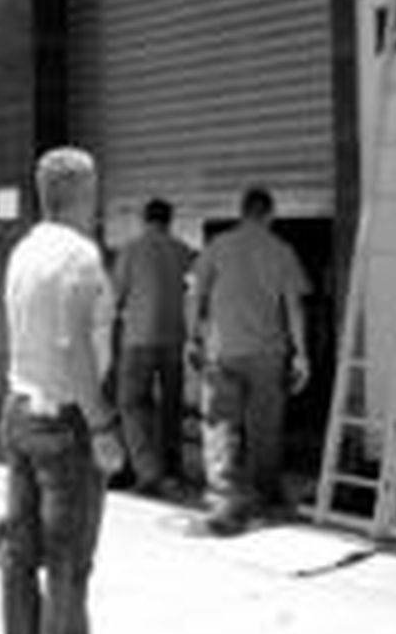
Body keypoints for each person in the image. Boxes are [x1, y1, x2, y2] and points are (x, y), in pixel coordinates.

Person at [0, 147, 130, 634]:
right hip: (65, 425)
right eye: (95, 186)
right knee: (70, 559)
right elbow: (76, 346)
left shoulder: (24, 250)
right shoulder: (80, 255)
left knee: (21, 550)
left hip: (19, 411)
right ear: (83, 191)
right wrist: (102, 424)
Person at [186, 186, 311, 536]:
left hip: (223, 351)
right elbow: (294, 306)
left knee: (220, 424)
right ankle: (265, 496)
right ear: (270, 215)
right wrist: (302, 354)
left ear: (241, 212)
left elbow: (194, 292)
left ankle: (223, 500)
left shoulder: (218, 246)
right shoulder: (281, 250)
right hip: (268, 353)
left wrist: (191, 337)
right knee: (265, 428)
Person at [110, 198, 195, 498]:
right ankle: (173, 468)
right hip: (173, 338)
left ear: (144, 219)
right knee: (171, 406)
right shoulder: (184, 251)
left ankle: (147, 471)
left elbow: (116, 296)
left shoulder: (130, 250)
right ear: (169, 221)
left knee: (132, 404)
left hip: (138, 338)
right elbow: (194, 293)